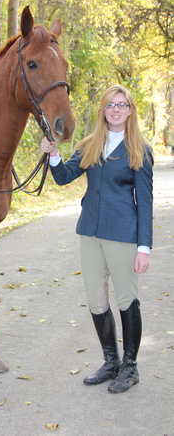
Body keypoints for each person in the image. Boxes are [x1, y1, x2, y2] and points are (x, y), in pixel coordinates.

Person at [41, 85, 153, 393]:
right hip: (89, 232)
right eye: (110, 105)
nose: (115, 110)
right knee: (96, 299)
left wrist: (144, 247)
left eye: (122, 105)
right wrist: (53, 155)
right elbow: (64, 177)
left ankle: (130, 368)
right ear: (103, 110)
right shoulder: (90, 145)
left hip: (123, 235)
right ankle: (111, 362)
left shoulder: (139, 149)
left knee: (126, 299)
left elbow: (144, 201)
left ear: (130, 110)